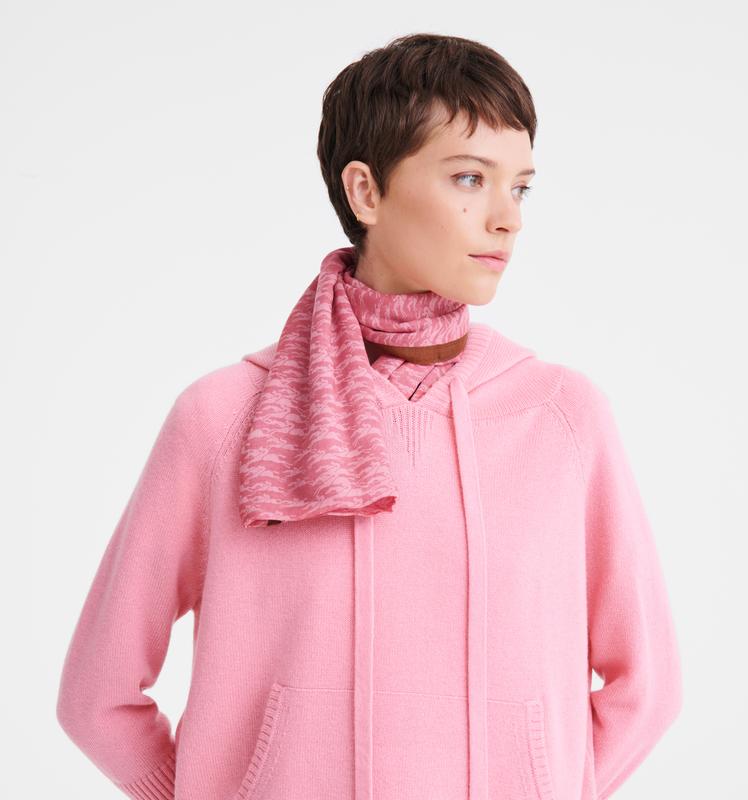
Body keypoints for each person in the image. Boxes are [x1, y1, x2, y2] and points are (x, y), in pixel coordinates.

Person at [57, 33, 682, 800]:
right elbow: (98, 697)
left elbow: (647, 687)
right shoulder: (221, 420)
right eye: (468, 177)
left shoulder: (562, 418)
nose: (506, 218)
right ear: (366, 193)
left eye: (519, 187)